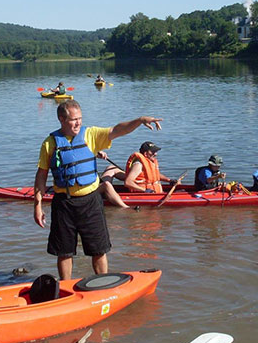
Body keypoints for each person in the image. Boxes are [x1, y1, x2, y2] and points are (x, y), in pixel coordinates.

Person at [33, 99, 163, 280]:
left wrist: (140, 120)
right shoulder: (50, 143)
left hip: (90, 201)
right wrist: (37, 205)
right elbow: (41, 175)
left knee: (99, 249)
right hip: (63, 203)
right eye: (73, 119)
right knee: (64, 252)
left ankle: (103, 284)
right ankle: (65, 287)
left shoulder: (90, 134)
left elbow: (117, 130)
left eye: (80, 118)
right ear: (62, 119)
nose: (78, 122)